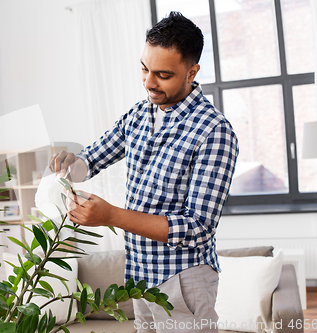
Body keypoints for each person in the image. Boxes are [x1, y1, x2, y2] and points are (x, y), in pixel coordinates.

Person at [50, 12, 238, 333]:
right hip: (139, 274)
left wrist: (110, 216)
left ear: (192, 72)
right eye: (144, 68)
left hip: (183, 277)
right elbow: (91, 159)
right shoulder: (139, 115)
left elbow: (197, 228)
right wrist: (69, 164)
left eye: (163, 74)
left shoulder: (214, 131)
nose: (149, 83)